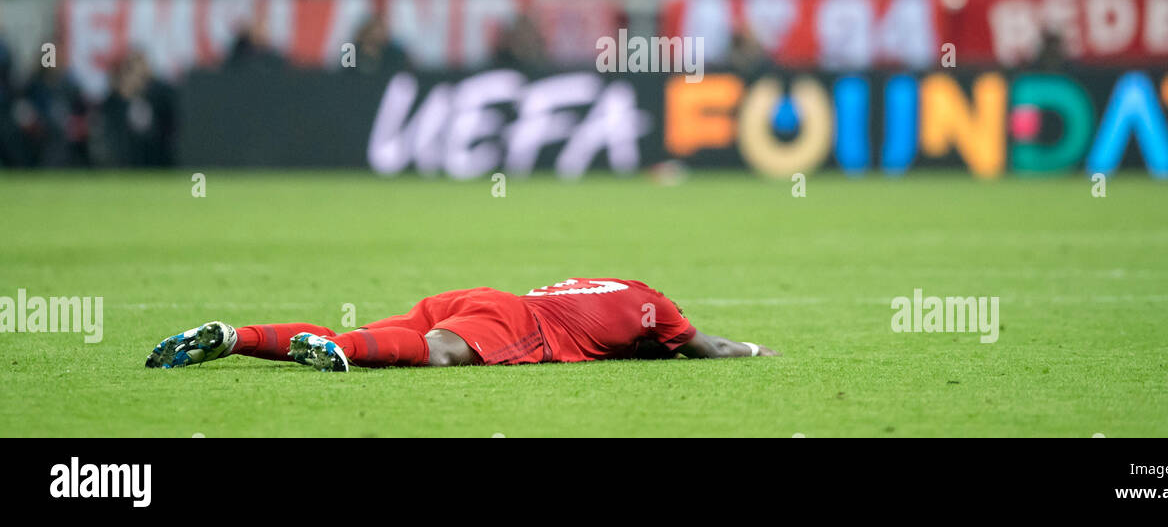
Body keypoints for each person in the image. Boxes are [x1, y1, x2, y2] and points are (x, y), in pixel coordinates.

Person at [145, 278, 777, 371]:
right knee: (438, 353)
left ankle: (237, 337)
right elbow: (708, 346)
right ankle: (337, 355)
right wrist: (755, 349)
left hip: (481, 293)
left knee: (373, 326)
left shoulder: (601, 285)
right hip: (521, 322)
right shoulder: (655, 307)